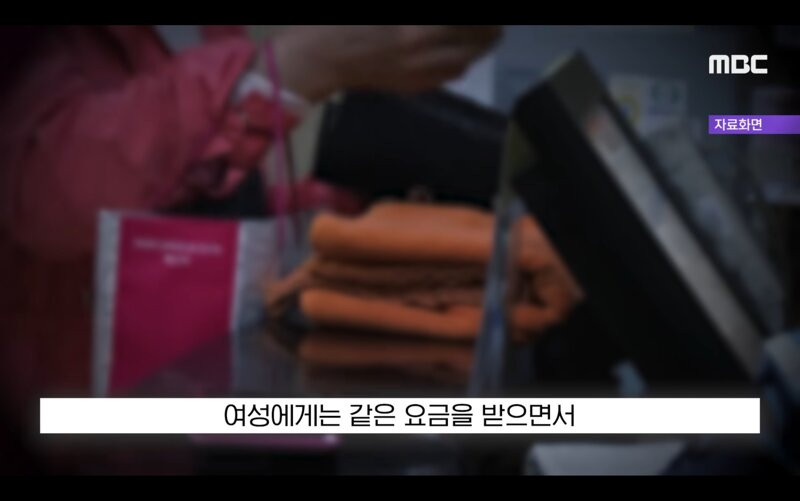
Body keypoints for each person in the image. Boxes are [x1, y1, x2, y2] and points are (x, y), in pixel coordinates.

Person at [0, 25, 501, 471]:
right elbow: (45, 193)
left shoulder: (209, 33)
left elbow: (192, 191)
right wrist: (285, 71)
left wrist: (319, 217)